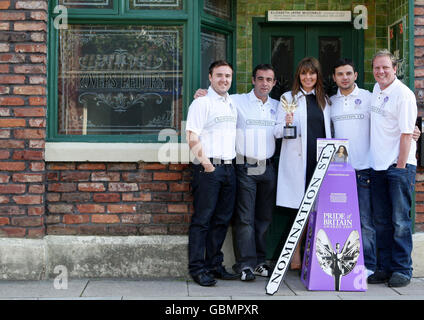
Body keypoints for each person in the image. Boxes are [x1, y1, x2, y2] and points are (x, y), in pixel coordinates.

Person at [194, 64, 279, 281]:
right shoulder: (236, 100)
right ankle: (244, 265)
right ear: (252, 80)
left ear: (274, 83)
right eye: (260, 79)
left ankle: (258, 262)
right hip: (241, 165)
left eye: (269, 80)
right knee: (242, 219)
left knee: (262, 218)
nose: (264, 83)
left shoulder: (278, 106)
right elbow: (212, 101)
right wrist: (202, 93)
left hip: (266, 166)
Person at [274, 57, 332, 269]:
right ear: (298, 75)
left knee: (316, 209)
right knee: (299, 210)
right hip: (298, 163)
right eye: (304, 73)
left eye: (312, 73)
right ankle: (295, 253)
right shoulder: (287, 98)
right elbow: (277, 131)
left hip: (320, 163)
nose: (308, 77)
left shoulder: (325, 99)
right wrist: (287, 124)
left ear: (318, 76)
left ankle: (312, 255)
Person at [186, 60, 239, 286]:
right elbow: (192, 136)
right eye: (219, 75)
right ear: (210, 77)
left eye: (227, 76)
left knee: (221, 220)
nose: (224, 79)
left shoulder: (231, 103)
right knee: (203, 220)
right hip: (209, 169)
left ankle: (214, 265)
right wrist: (207, 165)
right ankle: (197, 268)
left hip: (229, 167)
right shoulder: (201, 103)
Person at [367, 50, 417, 288]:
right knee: (382, 221)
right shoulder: (377, 90)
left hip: (398, 166)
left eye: (385, 67)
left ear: (394, 69)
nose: (381, 72)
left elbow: (408, 133)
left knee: (400, 221)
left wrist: (400, 166)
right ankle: (384, 267)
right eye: (377, 68)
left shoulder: (403, 95)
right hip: (377, 166)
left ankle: (402, 269)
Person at [330, 58, 376, 275]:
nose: (345, 77)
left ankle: (369, 266)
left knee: (366, 222)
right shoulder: (330, 102)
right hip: (339, 172)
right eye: (340, 74)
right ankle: (344, 265)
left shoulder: (368, 98)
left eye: (348, 73)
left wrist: (414, 131)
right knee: (341, 221)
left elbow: (388, 121)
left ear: (355, 75)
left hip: (364, 168)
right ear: (334, 77)